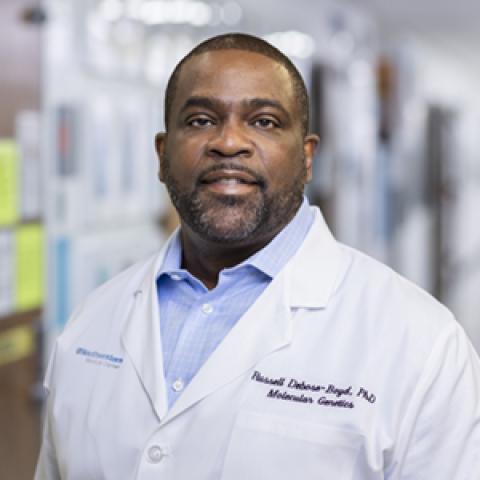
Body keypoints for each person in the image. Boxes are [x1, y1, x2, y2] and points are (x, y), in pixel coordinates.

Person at [35, 33, 480, 480]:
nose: (229, 143)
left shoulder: (421, 344)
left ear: (307, 157)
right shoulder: (90, 324)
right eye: (200, 120)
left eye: (264, 122)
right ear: (162, 154)